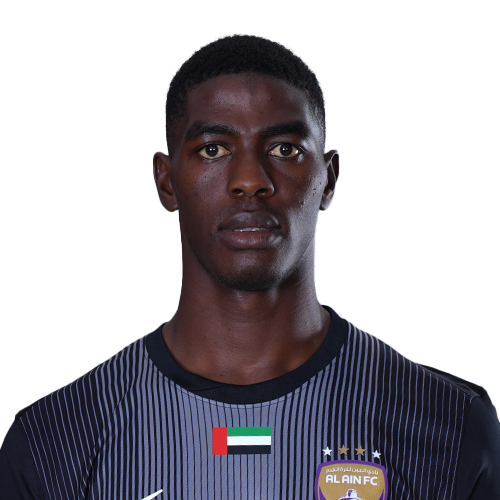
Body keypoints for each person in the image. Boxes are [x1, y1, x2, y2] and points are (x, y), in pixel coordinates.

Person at [1, 32, 499, 500]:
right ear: (166, 180)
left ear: (328, 179)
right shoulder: (56, 442)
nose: (249, 180)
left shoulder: (449, 425)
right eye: (213, 149)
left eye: (284, 149)